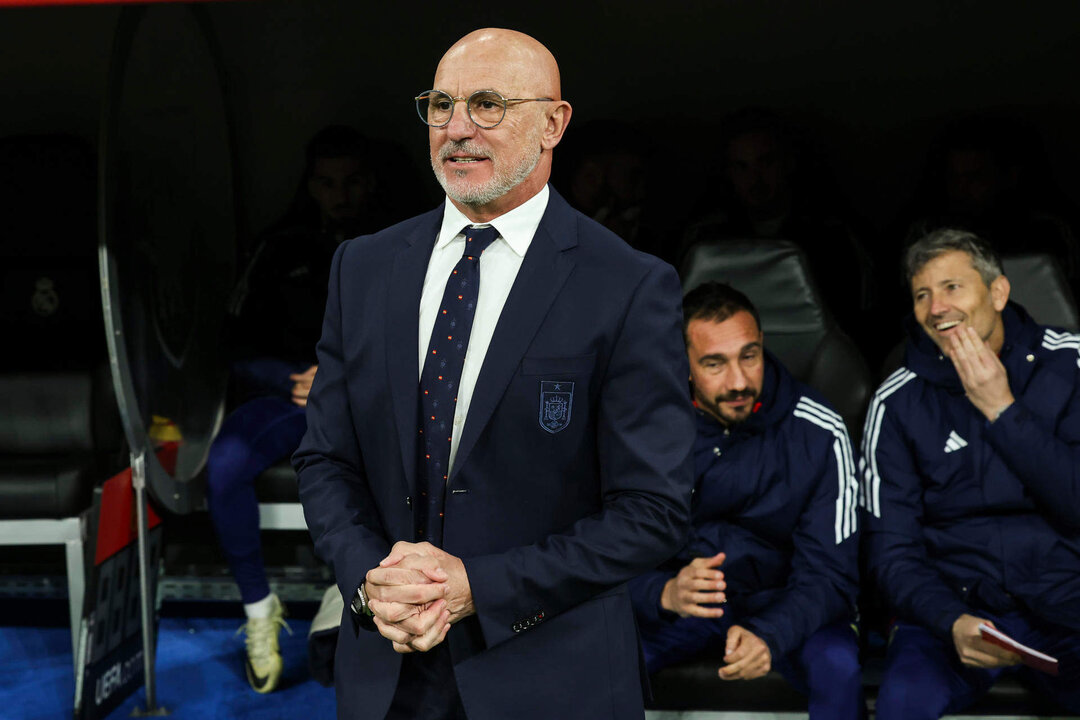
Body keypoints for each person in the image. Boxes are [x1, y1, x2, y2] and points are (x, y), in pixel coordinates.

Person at [292, 28, 695, 720]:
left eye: (487, 105)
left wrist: (478, 586)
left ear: (553, 123)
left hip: (552, 679)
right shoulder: (362, 268)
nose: (456, 130)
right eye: (440, 105)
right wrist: (372, 583)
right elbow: (327, 458)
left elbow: (652, 512)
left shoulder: (628, 286)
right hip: (387, 673)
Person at [861, 228, 1080, 718]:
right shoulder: (896, 401)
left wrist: (1003, 409)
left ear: (998, 292)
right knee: (899, 705)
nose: (937, 307)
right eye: (923, 294)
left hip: (1067, 602)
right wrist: (950, 619)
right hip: (956, 611)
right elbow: (890, 550)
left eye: (952, 287)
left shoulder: (1071, 364)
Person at [630, 282, 863, 719]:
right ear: (682, 365)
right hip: (687, 602)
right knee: (596, 665)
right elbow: (604, 549)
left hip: (788, 601)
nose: (738, 381)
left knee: (840, 669)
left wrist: (770, 634)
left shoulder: (816, 429)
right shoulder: (646, 428)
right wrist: (661, 591)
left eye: (749, 356)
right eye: (714, 364)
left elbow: (832, 575)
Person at [207, 125, 380, 693]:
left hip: (374, 403)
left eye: (352, 182)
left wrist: (351, 378)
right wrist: (289, 377)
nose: (341, 195)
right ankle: (259, 612)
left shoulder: (408, 242)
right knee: (226, 464)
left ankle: (356, 606)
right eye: (328, 183)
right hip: (291, 399)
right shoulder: (279, 246)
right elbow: (228, 346)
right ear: (310, 185)